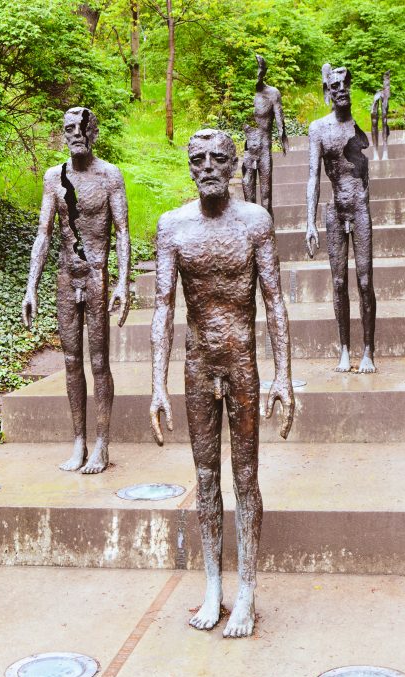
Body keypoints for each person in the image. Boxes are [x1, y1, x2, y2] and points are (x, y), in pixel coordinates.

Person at [150, 129, 294, 638]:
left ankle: (248, 592)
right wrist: (156, 384)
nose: (208, 165)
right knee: (206, 477)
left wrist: (284, 375)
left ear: (234, 164)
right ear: (189, 167)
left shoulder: (255, 222)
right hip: (197, 363)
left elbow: (274, 300)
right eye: (198, 159)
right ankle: (213, 586)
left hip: (241, 363)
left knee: (246, 477)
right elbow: (163, 307)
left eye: (218, 158)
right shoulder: (172, 227)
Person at [22, 107, 130, 474]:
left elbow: (122, 232)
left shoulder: (110, 176)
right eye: (70, 128)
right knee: (70, 362)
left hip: (97, 275)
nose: (76, 134)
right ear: (63, 133)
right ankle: (79, 441)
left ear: (93, 132)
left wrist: (122, 282)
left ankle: (102, 443)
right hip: (67, 276)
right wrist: (30, 287)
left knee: (99, 362)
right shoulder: (54, 177)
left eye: (83, 127)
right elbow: (44, 234)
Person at [305, 65, 377, 373]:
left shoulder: (358, 130)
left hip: (359, 208)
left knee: (364, 281)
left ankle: (369, 351)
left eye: (345, 84)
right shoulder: (318, 129)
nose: (342, 90)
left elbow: (365, 177)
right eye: (335, 86)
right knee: (337, 282)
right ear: (327, 92)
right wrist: (309, 220)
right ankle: (344, 350)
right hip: (334, 210)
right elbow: (312, 177)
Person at [241, 54, 288, 217]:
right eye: (255, 69)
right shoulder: (247, 94)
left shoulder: (272, 93)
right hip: (249, 149)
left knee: (266, 198)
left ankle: (268, 233)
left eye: (260, 69)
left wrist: (283, 137)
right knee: (248, 196)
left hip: (264, 149)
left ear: (264, 71)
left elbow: (279, 118)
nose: (257, 74)